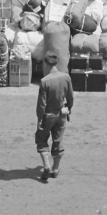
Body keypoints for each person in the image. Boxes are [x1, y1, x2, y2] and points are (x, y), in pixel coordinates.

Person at [35, 50, 74, 182]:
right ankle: (55, 169)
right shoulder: (66, 77)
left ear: (45, 64)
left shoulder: (44, 81)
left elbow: (41, 104)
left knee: (41, 140)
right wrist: (68, 109)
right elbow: (70, 97)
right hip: (62, 113)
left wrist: (40, 119)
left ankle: (46, 165)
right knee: (58, 140)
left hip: (48, 115)